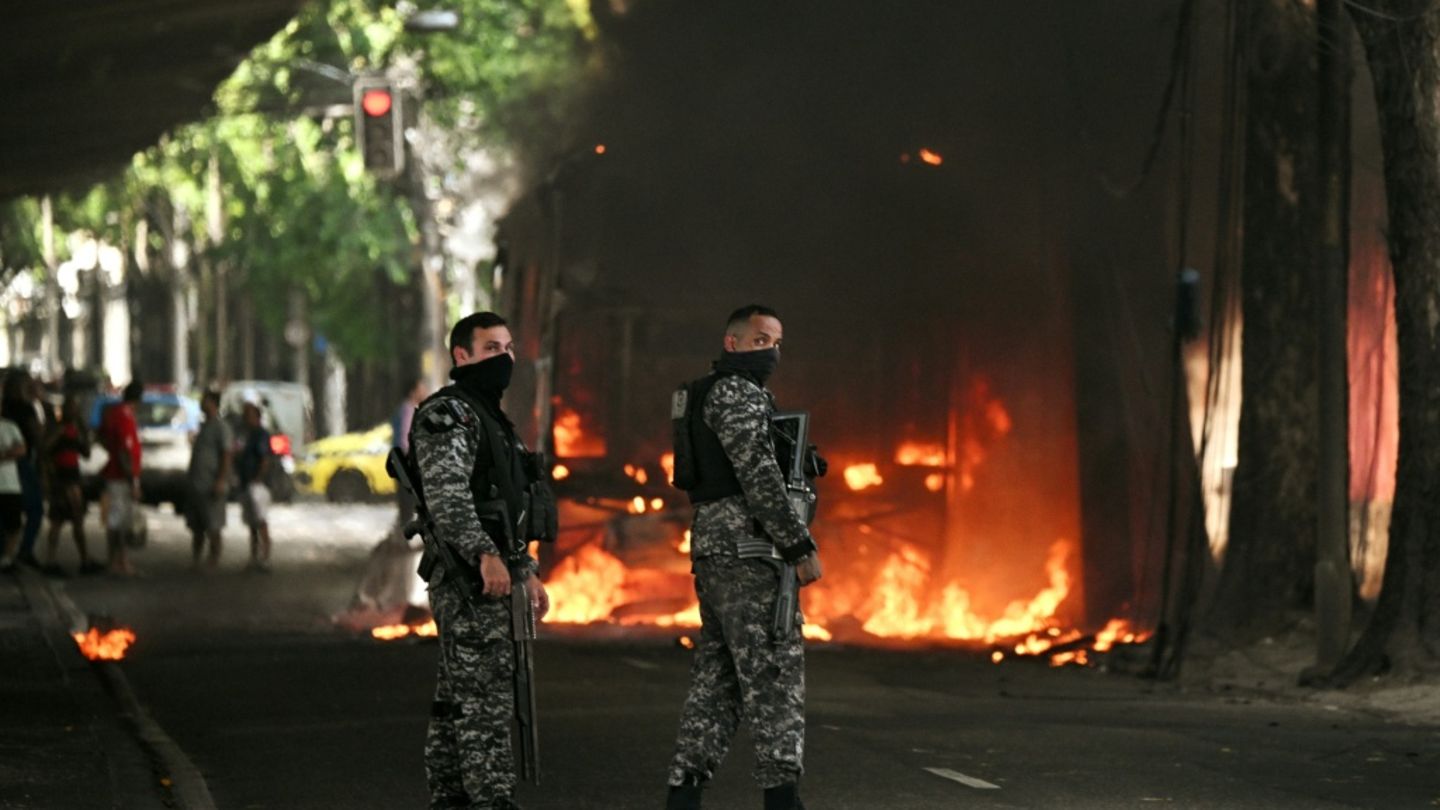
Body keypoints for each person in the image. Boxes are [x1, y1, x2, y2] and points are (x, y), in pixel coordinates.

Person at [665, 305, 824, 810]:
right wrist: (798, 544)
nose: (771, 351)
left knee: (719, 679)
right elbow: (757, 474)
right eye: (760, 340)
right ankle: (782, 797)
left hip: (717, 549)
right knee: (774, 671)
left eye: (776, 342)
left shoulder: (714, 393)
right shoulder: (734, 392)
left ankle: (684, 794)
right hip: (748, 549)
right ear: (731, 344)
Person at [411, 311, 551, 810]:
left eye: (509, 348)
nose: (506, 358)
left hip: (495, 580)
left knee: (457, 701)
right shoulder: (447, 414)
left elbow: (509, 510)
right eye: (492, 348)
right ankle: (491, 801)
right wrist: (485, 556)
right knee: (486, 704)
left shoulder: (493, 421)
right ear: (461, 356)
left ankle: (450, 797)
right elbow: (449, 501)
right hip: (469, 583)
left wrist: (526, 572)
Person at [41, 396, 99, 576]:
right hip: (60, 477)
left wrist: (83, 437)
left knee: (77, 520)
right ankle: (51, 561)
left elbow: (86, 452)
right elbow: (45, 450)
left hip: (73, 475)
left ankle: (84, 559)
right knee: (57, 521)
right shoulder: (57, 428)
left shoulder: (77, 429)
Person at [99, 380, 143, 576]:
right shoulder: (125, 416)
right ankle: (119, 562)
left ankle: (116, 561)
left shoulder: (112, 413)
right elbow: (126, 452)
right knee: (120, 521)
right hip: (121, 477)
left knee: (115, 520)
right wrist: (132, 480)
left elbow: (101, 436)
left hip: (115, 473)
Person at [1, 371, 45, 569]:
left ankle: (8, 552)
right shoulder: (26, 409)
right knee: (34, 508)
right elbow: (36, 437)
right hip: (22, 465)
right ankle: (23, 550)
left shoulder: (7, 409)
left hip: (14, 465)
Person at [186, 389, 233, 570]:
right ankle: (196, 559)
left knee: (213, 525)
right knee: (197, 527)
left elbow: (227, 454)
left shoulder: (221, 427)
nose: (201, 403)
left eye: (205, 400)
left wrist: (221, 480)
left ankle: (214, 560)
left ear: (213, 403)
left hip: (211, 484)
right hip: (197, 485)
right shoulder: (204, 426)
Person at [237, 401, 274, 572]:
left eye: (249, 415)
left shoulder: (261, 434)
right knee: (251, 522)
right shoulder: (247, 434)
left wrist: (258, 479)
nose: (245, 418)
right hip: (246, 482)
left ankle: (265, 557)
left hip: (257, 484)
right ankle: (253, 557)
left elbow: (264, 458)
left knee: (261, 520)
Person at [392, 377, 427, 536]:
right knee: (407, 503)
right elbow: (404, 439)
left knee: (408, 504)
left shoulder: (409, 408)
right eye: (421, 387)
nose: (424, 390)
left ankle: (406, 538)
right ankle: (405, 541)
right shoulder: (408, 409)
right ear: (413, 391)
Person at [0, 410, 28, 572]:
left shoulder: (10, 426)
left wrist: (4, 454)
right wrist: (8, 453)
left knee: (14, 524)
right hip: (8, 483)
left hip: (10, 484)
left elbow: (21, 449)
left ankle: (7, 559)